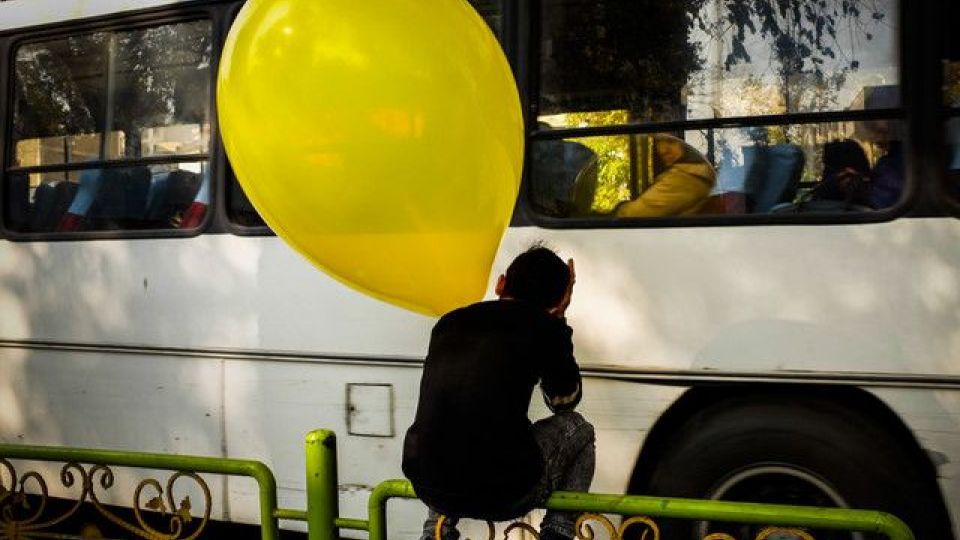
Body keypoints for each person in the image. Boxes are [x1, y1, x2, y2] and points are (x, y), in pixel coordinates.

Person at [402, 245, 595, 540]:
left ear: (501, 283)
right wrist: (558, 321)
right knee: (580, 427)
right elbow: (565, 401)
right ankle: (558, 530)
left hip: (427, 484)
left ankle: (436, 532)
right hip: (504, 491)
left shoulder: (449, 323)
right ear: (559, 300)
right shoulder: (546, 327)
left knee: (454, 425)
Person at [614, 134, 716, 217]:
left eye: (670, 141)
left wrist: (619, 209)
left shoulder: (685, 178)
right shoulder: (694, 172)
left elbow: (634, 215)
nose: (663, 150)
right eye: (658, 142)